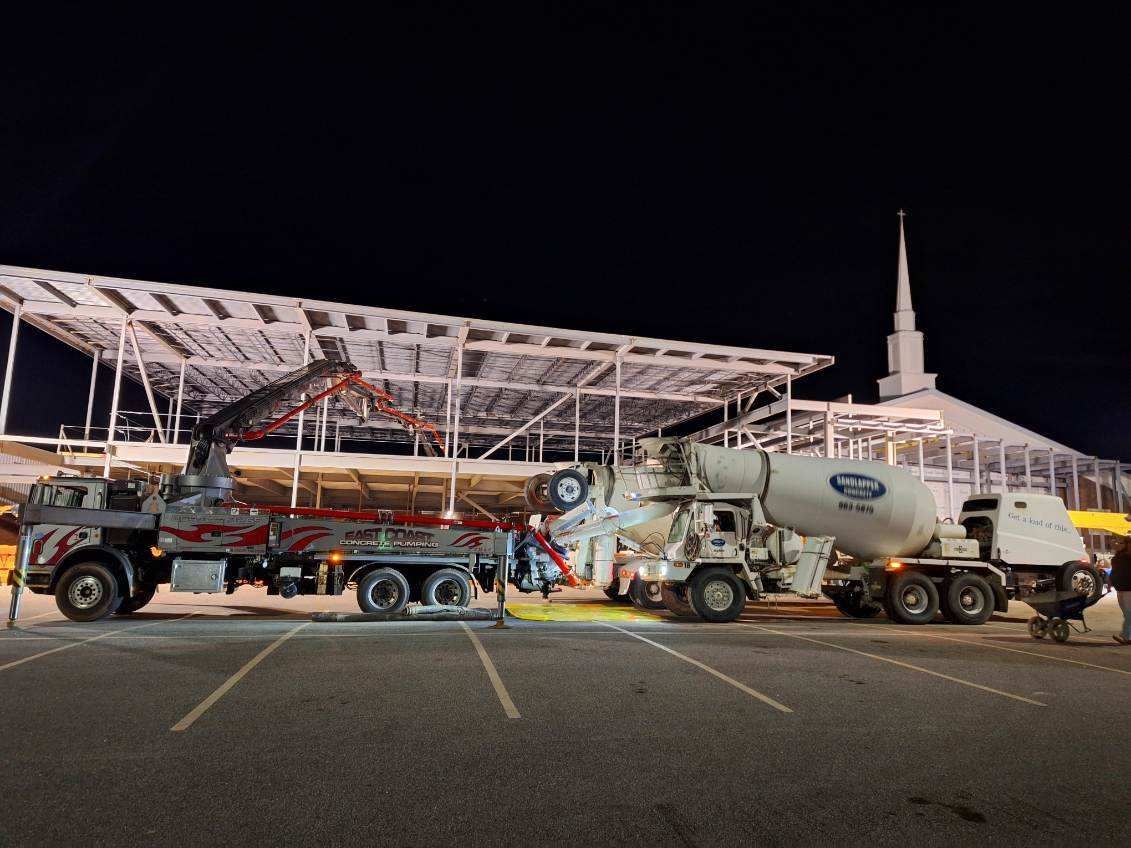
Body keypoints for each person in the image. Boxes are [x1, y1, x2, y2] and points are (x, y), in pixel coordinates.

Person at [1112, 535, 1131, 645]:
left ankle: (1126, 636)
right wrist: (1111, 583)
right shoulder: (1118, 557)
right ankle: (1127, 635)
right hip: (1121, 589)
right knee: (1127, 614)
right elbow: (1114, 573)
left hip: (1128, 589)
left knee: (1129, 614)